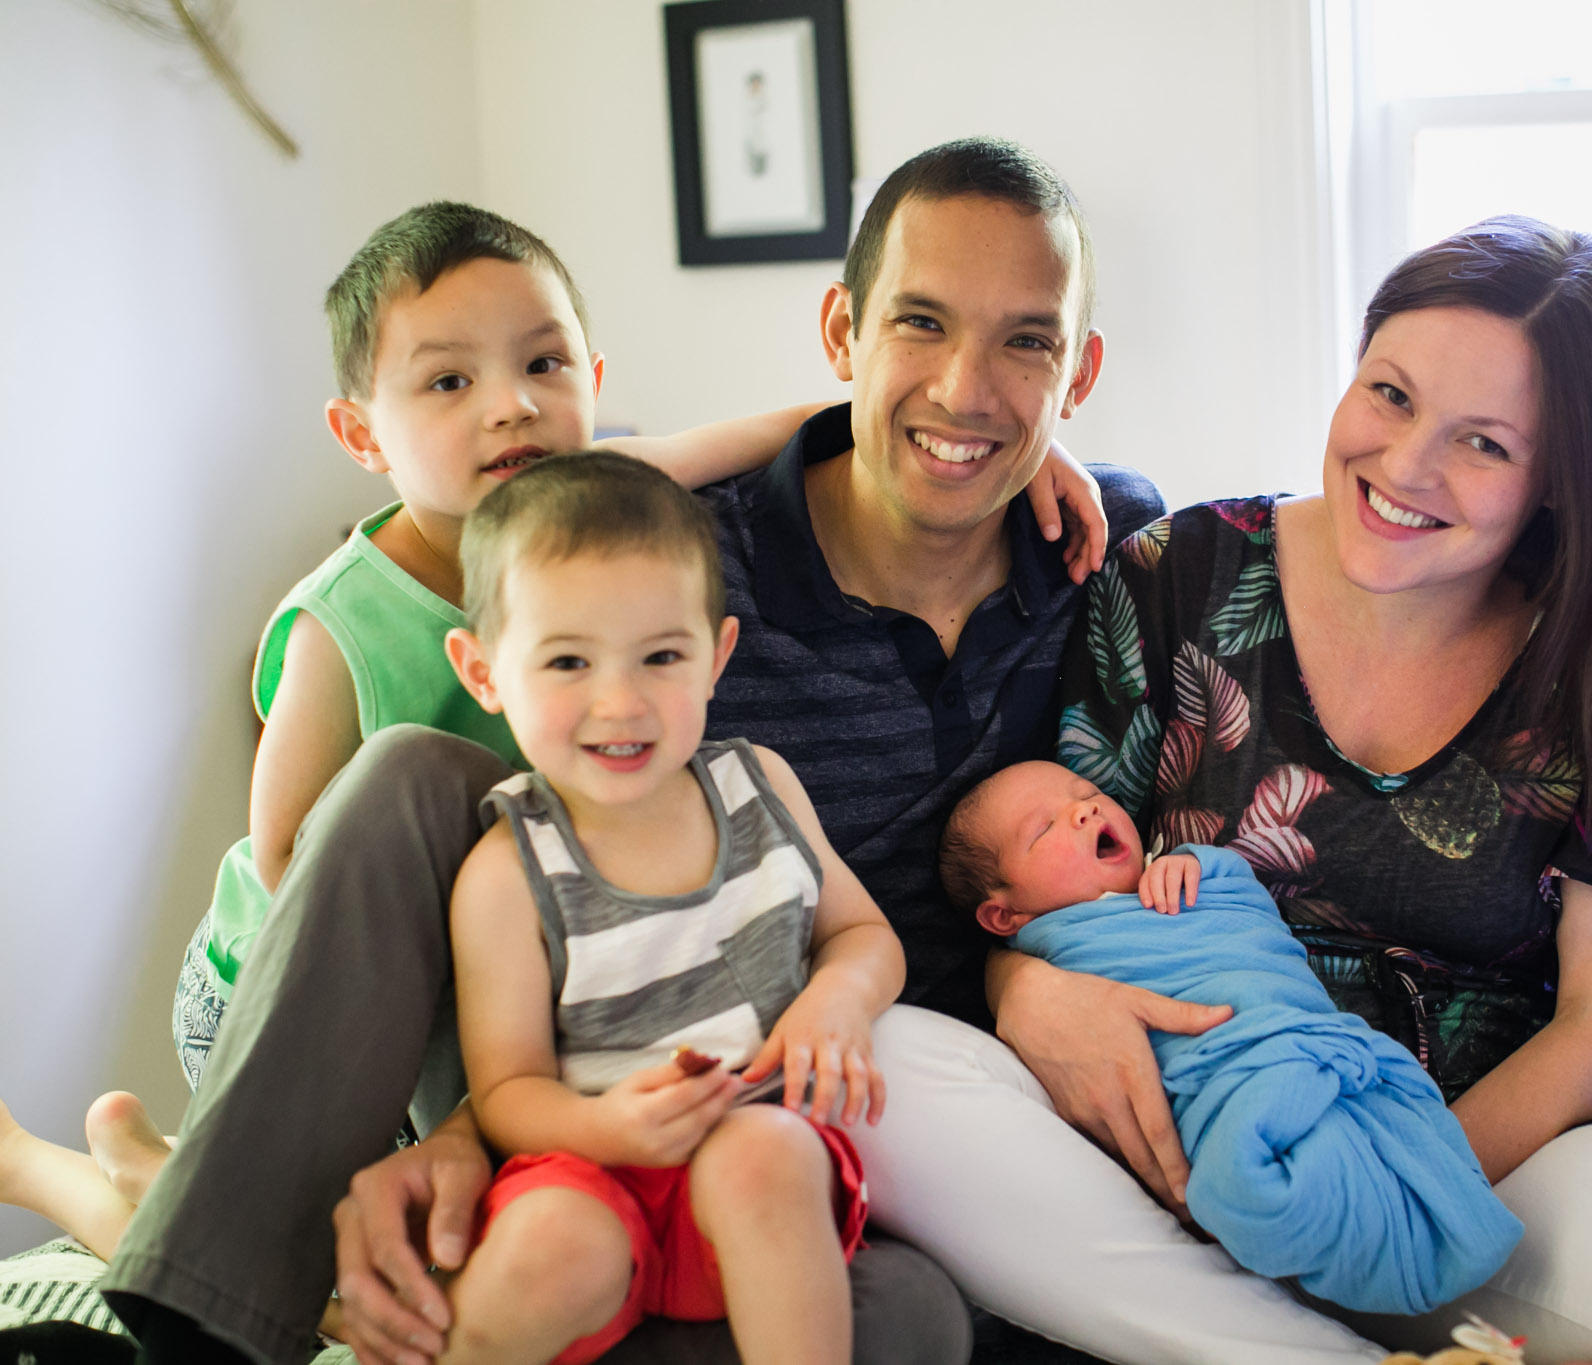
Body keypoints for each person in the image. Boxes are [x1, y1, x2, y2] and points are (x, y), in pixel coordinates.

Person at [92, 137, 1161, 1365]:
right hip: (544, 1038)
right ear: (842, 334)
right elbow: (497, 561)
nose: (966, 387)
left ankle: (258, 1246)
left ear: (1076, 370)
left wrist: (1019, 445)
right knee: (407, 777)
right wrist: (453, 1137)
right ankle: (206, 1310)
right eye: (918, 324)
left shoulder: (1113, 549)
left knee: (912, 1323)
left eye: (1024, 344)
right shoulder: (658, 568)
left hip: (807, 1100)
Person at [845, 215, 1592, 1363]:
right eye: (1388, 395)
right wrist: (1028, 994)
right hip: (1169, 1136)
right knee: (884, 1069)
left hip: (1478, 1169)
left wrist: (1369, 1187)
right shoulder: (1177, 575)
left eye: (1483, 444)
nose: (1406, 465)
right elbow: (1045, 872)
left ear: (1563, 482)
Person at [437, 454, 901, 1364]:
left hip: (754, 1164)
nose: (621, 701)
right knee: (552, 1245)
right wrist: (604, 1130)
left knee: (760, 1157)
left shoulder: (759, 787)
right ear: (485, 671)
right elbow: (506, 1091)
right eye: (568, 659)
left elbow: (864, 934)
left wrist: (835, 998)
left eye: (661, 656)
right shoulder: (506, 872)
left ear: (717, 656)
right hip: (587, 1163)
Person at [937, 758, 1524, 1316]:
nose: (1084, 812)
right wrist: (1014, 977)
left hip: (1289, 1030)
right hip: (1222, 1081)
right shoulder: (1049, 947)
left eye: (1087, 795)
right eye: (1044, 828)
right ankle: (1367, 1246)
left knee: (1377, 1134)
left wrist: (1192, 863)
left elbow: (1237, 901)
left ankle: (1397, 1225)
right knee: (1257, 1174)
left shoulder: (1181, 876)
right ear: (1003, 916)